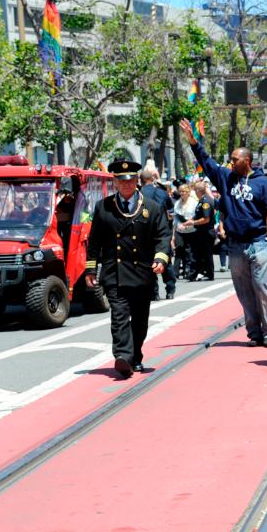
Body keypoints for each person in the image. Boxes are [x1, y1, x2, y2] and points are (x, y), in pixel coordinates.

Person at [179, 118, 267, 348]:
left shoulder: (263, 183)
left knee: (262, 287)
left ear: (248, 160)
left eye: (235, 159)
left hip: (259, 242)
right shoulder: (225, 178)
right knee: (244, 292)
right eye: (231, 159)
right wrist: (194, 142)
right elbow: (207, 162)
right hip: (235, 245)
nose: (231, 162)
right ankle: (254, 332)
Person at [84, 161, 172, 377]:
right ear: (115, 182)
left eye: (131, 180)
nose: (127, 185)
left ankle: (136, 355)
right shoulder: (103, 207)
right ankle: (122, 356)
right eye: (122, 181)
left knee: (140, 320)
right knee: (119, 315)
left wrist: (161, 259)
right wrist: (90, 270)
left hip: (142, 273)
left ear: (137, 181)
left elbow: (163, 236)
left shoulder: (151, 207)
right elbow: (94, 242)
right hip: (115, 274)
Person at [139, 167, 177, 300]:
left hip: (145, 233)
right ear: (152, 179)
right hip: (163, 231)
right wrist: (170, 232)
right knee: (166, 260)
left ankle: (154, 292)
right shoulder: (162, 193)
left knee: (150, 262)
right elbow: (171, 214)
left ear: (141, 181)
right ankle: (170, 290)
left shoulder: (138, 193)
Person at [189, 180, 217, 281]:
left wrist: (193, 223)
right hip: (201, 232)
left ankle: (210, 274)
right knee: (202, 253)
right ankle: (204, 272)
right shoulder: (202, 201)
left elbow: (206, 219)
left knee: (207, 254)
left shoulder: (206, 201)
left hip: (206, 232)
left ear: (198, 190)